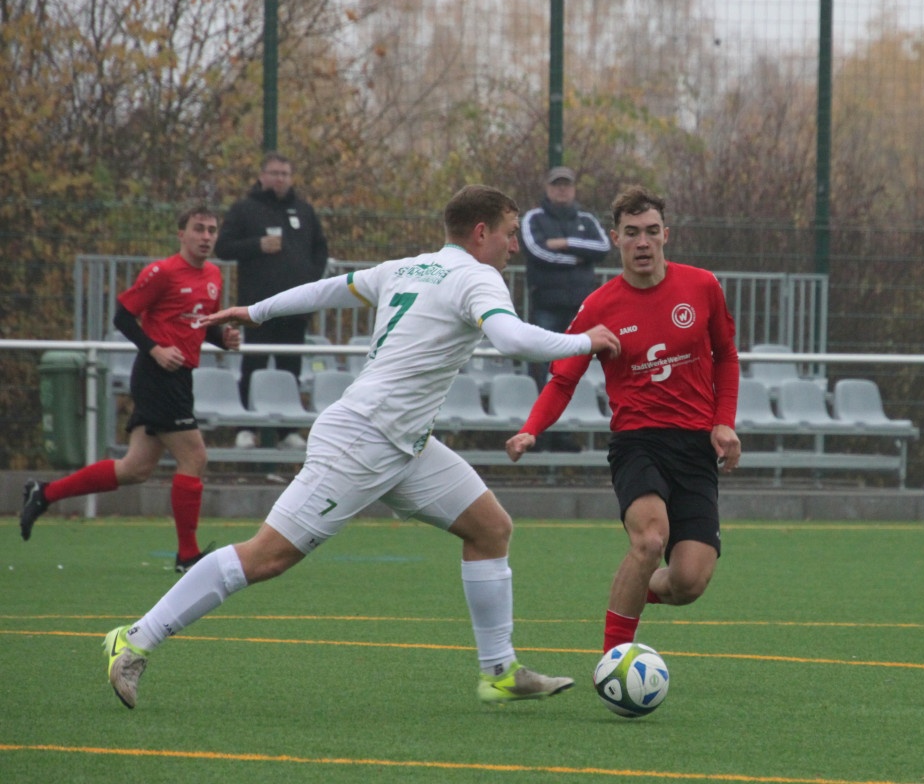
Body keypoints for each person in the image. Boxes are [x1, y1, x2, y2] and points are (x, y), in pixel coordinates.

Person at [100, 185, 622, 710]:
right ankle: (137, 637)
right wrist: (586, 341)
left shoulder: (409, 266)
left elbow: (326, 290)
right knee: (266, 557)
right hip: (362, 441)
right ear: (481, 233)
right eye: (511, 235)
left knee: (490, 528)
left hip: (405, 445)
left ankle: (499, 671)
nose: (515, 248)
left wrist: (256, 311)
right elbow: (512, 341)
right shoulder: (476, 277)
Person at [505, 185, 740, 652]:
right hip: (638, 444)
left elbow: (726, 357)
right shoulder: (600, 307)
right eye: (632, 233)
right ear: (616, 239)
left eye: (652, 232)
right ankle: (613, 659)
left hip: (694, 446)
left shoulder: (702, 287)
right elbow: (562, 379)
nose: (643, 243)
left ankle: (635, 589)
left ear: (666, 235)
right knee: (651, 539)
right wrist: (532, 428)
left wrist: (724, 421)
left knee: (688, 582)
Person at [20, 205, 240, 572]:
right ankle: (188, 556)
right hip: (157, 375)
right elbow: (122, 315)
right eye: (198, 229)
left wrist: (223, 337)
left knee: (135, 468)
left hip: (179, 377)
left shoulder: (213, 275)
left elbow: (200, 324)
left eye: (212, 230)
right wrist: (154, 348)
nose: (206, 236)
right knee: (195, 458)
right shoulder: (162, 272)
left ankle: (44, 493)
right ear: (180, 235)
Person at [215, 151, 329, 451]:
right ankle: (246, 426)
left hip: (296, 307)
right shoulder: (244, 210)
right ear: (262, 176)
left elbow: (320, 249)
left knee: (289, 368)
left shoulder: (303, 211)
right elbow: (223, 247)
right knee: (254, 365)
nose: (280, 179)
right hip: (258, 306)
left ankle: (286, 430)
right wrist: (257, 245)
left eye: (285, 174)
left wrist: (310, 277)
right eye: (275, 173)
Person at [519, 166, 611, 393]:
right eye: (556, 184)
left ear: (574, 189)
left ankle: (572, 420)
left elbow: (603, 247)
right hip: (545, 306)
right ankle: (540, 422)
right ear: (547, 188)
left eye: (566, 184)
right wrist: (577, 261)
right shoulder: (533, 218)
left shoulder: (587, 220)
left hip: (580, 309)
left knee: (578, 365)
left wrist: (565, 243)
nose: (562, 189)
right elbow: (537, 252)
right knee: (543, 361)